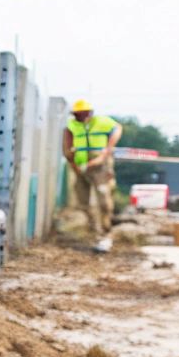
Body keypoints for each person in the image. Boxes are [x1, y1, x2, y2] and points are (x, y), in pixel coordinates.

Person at [63, 99, 123, 253]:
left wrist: (107, 151)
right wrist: (74, 164)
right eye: (78, 114)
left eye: (83, 114)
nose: (80, 117)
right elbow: (67, 148)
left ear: (89, 113)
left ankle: (105, 231)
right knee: (83, 203)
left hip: (100, 167)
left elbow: (117, 128)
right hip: (81, 166)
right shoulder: (72, 126)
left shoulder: (101, 122)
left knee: (103, 199)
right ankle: (94, 231)